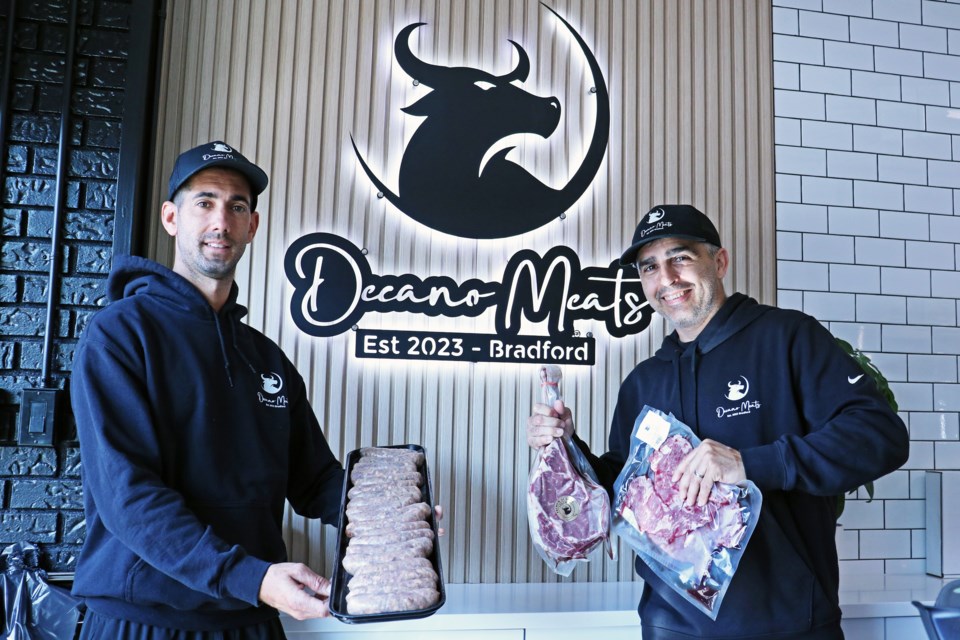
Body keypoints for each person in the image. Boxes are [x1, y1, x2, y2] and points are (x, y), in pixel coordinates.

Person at [527, 204, 910, 639]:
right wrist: (566, 450)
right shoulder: (643, 382)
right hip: (669, 626)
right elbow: (623, 492)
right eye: (649, 266)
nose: (666, 278)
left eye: (681, 257)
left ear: (720, 261)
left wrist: (752, 464)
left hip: (787, 625)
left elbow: (881, 435)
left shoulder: (787, 338)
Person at [71, 141, 342, 638]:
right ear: (172, 218)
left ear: (252, 227)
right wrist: (251, 577)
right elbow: (128, 497)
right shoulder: (119, 335)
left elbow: (316, 480)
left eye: (237, 206)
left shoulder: (265, 359)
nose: (222, 220)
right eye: (205, 202)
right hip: (146, 620)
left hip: (249, 620)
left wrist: (388, 516)